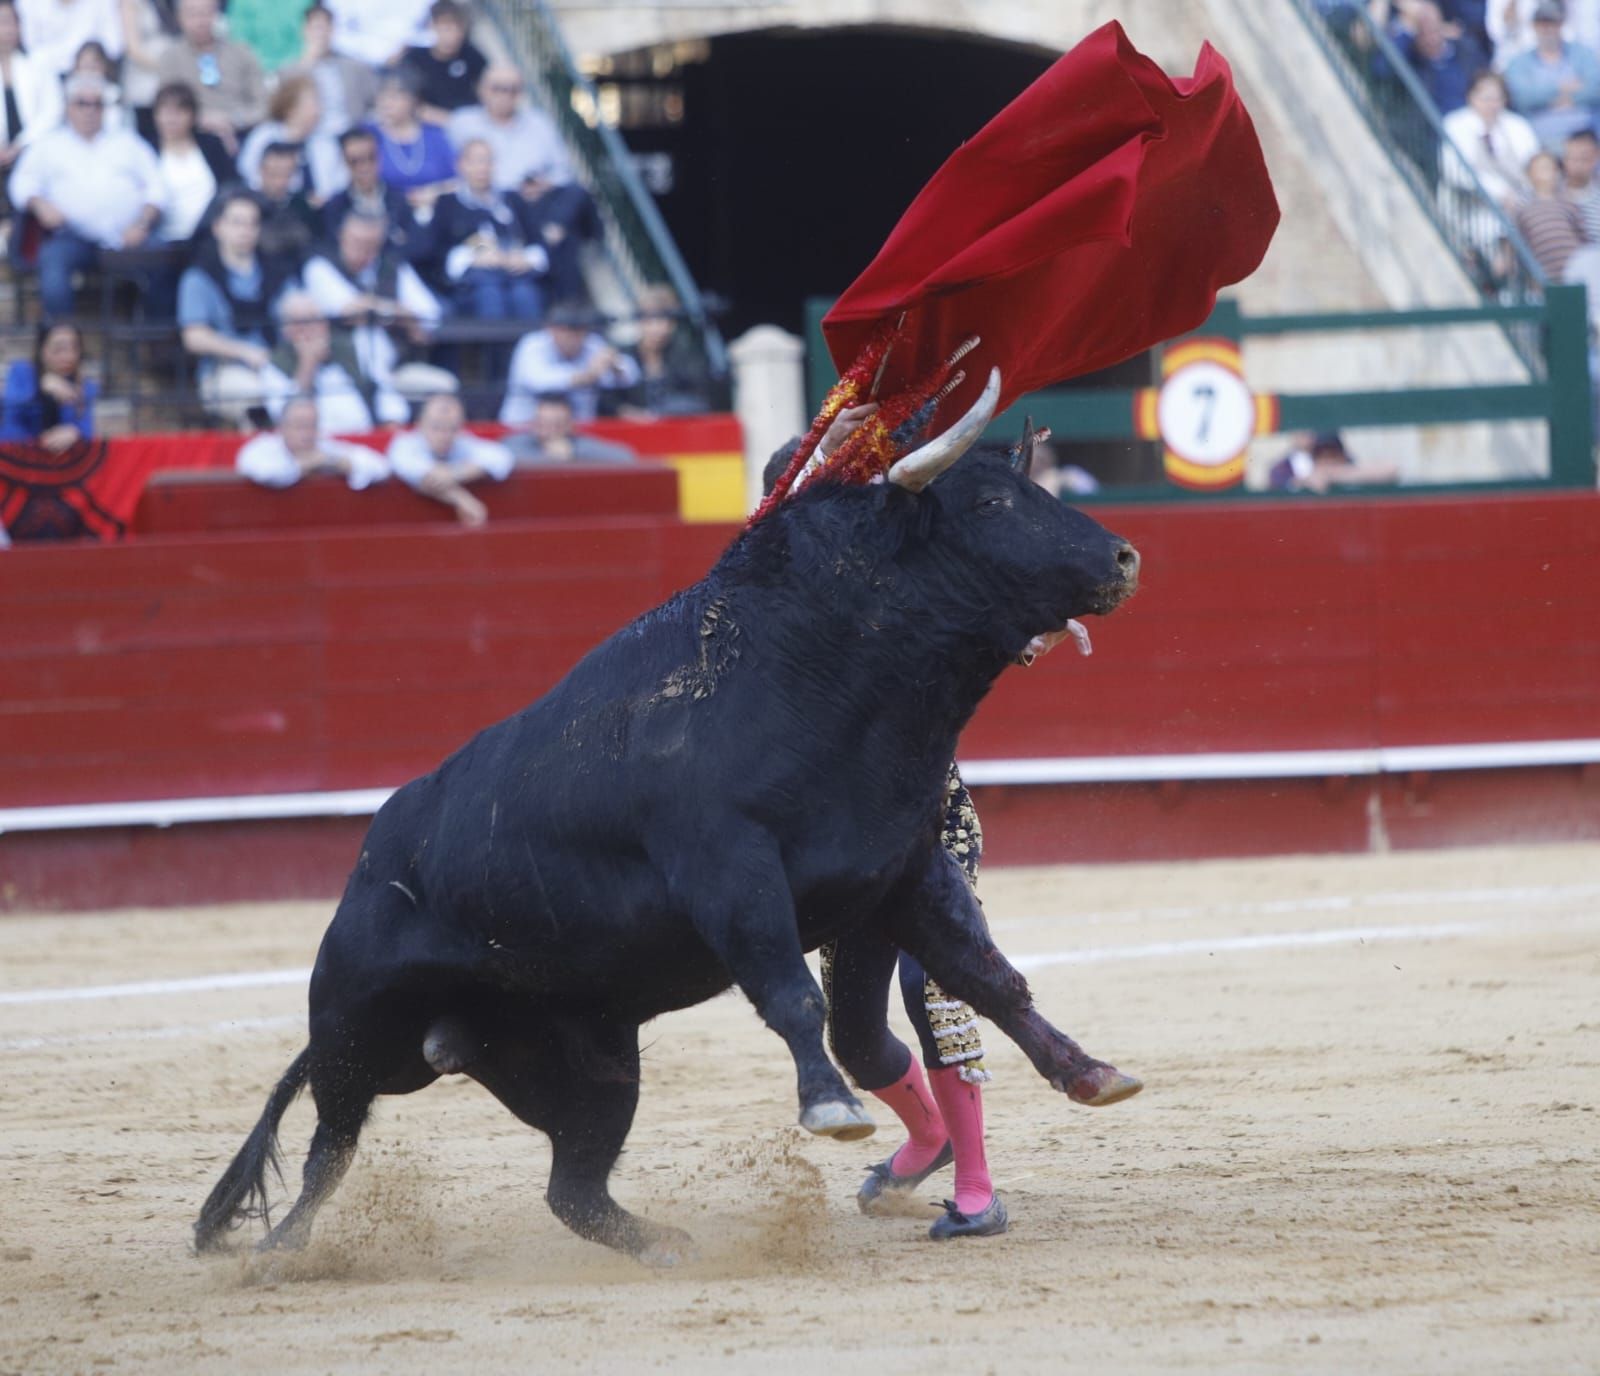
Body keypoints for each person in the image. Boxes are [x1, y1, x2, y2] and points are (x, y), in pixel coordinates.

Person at [10, 70, 166, 319]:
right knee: (52, 261)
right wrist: (40, 205)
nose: (89, 110)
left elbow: (157, 188)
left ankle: (156, 347)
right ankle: (62, 340)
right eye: (82, 103)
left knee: (165, 261)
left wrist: (143, 224)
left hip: (129, 238)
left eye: (97, 104)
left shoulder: (129, 143)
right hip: (73, 237)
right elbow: (21, 182)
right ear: (68, 107)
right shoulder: (48, 145)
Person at [302, 208, 450, 400]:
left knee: (446, 388)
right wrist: (399, 314)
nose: (362, 251)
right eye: (356, 242)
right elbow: (348, 311)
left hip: (396, 368)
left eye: (370, 245)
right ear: (341, 236)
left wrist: (378, 310)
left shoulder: (393, 267)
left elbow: (430, 317)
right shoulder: (319, 265)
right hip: (338, 371)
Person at [177, 189, 292, 421]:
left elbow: (297, 310)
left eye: (252, 224)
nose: (246, 231)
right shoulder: (199, 277)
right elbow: (194, 338)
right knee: (257, 398)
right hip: (224, 370)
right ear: (218, 227)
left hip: (279, 363)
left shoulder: (275, 271)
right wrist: (247, 353)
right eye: (237, 222)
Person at [425, 137, 547, 320]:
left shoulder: (513, 200)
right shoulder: (447, 204)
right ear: (460, 165)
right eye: (475, 161)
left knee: (525, 294)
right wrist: (473, 258)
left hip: (517, 276)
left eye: (487, 161)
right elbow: (438, 253)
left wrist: (525, 258)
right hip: (474, 284)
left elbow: (539, 245)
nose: (482, 168)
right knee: (490, 295)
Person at [262, 288, 409, 433]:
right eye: (301, 323)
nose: (309, 329)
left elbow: (384, 388)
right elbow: (283, 417)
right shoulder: (274, 366)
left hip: (365, 437)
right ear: (286, 331)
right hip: (314, 446)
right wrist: (308, 364)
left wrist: (391, 422)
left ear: (325, 325)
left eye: (315, 321)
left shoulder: (353, 347)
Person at [155, 0, 267, 155]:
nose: (200, 21)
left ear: (217, 14)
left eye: (206, 13)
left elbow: (263, 105)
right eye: (193, 14)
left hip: (242, 134)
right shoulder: (170, 58)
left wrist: (233, 119)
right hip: (192, 137)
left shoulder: (242, 53)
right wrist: (201, 119)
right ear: (180, 17)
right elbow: (165, 108)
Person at [387, 389, 511, 524]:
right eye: (436, 427)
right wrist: (463, 500)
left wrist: (455, 473)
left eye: (452, 428)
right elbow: (422, 475)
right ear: (420, 425)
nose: (444, 436)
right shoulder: (404, 444)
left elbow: (501, 457)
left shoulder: (463, 442)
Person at [500, 304, 639, 424]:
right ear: (551, 329)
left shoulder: (592, 343)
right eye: (567, 330)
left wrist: (614, 366)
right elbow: (539, 381)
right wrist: (589, 375)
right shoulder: (533, 344)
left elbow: (631, 375)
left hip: (581, 431)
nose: (573, 337)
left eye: (578, 331)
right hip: (525, 429)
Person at [447, 63, 571, 195]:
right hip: (484, 202)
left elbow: (563, 171)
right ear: (481, 90)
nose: (504, 95)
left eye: (512, 89)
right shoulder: (462, 123)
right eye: (497, 88)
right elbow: (448, 170)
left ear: (521, 94)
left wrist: (545, 185)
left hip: (535, 201)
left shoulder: (539, 122)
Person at [0, 0, 64, 252]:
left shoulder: (38, 63)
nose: (4, 30)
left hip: (33, 151)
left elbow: (52, 112)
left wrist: (20, 145)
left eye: (8, 22)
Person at [604, 284, 715, 419]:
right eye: (650, 320)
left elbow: (699, 400)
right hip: (629, 432)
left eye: (664, 321)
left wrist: (658, 414)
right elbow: (605, 400)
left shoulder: (687, 357)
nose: (658, 329)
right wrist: (625, 412)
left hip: (675, 430)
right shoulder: (622, 355)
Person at [236, 393, 389, 489]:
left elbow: (380, 467)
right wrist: (306, 465)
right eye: (300, 426)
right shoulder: (262, 447)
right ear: (282, 427)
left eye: (312, 426)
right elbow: (265, 473)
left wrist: (338, 463)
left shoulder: (324, 446)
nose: (307, 434)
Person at [145, 80, 233, 243]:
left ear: (192, 115)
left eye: (179, 111)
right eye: (165, 111)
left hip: (211, 238)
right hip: (164, 240)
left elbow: (229, 184)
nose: (171, 119)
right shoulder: (146, 152)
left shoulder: (211, 145)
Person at [1502, 0, 1600, 147]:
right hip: (1539, 139)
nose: (1547, 29)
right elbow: (1521, 99)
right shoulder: (1519, 62)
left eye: (1552, 23)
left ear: (1561, 24)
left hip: (1585, 135)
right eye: (1542, 23)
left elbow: (1595, 89)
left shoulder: (1582, 54)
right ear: (1534, 26)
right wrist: (1561, 88)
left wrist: (1555, 99)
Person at [320, 125, 423, 262]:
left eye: (371, 158)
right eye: (355, 161)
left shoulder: (399, 201)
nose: (365, 167)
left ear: (379, 157)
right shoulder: (335, 207)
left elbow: (413, 246)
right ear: (344, 162)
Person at [236, 73, 344, 201]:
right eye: (313, 103)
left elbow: (339, 180)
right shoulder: (264, 136)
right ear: (291, 107)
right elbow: (248, 173)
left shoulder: (325, 143)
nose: (318, 110)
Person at [278, 4, 376, 144]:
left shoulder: (353, 66)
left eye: (325, 27)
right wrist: (309, 61)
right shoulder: (290, 70)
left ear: (332, 30)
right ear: (304, 30)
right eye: (316, 28)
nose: (321, 34)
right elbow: (284, 108)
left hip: (350, 135)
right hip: (311, 136)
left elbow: (374, 100)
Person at [365, 67, 455, 209]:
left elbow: (458, 180)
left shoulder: (434, 136)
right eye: (383, 96)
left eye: (395, 97)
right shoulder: (368, 135)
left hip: (435, 210)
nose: (387, 103)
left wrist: (435, 192)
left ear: (414, 100)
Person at [0, 320, 95, 446]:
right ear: (42, 350)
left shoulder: (86, 386)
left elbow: (89, 430)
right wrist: (40, 387)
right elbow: (11, 415)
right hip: (20, 455)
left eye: (74, 348)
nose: (69, 356)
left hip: (62, 459)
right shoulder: (21, 372)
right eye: (59, 349)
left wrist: (76, 432)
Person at [1388, 1, 1487, 112]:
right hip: (1434, 124)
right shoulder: (1413, 59)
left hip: (1472, 117)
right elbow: (1383, 70)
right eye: (1424, 31)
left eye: (1433, 28)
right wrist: (1406, 31)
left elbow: (1485, 79)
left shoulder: (1465, 50)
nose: (1431, 38)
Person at [402, 0, 484, 124]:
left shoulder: (472, 55)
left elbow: (486, 90)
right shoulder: (415, 58)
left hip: (468, 122)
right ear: (432, 27)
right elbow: (409, 100)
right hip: (427, 124)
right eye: (446, 28)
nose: (452, 34)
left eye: (457, 28)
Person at [506, 392, 638, 465]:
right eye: (543, 424)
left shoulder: (580, 444)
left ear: (571, 426)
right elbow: (498, 460)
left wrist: (573, 454)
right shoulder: (515, 444)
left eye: (556, 425)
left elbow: (626, 457)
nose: (548, 432)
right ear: (533, 423)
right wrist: (552, 460)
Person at [247, 141, 322, 270]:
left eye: (287, 174)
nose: (280, 182)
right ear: (261, 170)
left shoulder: (303, 205)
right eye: (274, 174)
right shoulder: (247, 204)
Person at [1516, 147, 1588, 274]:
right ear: (1529, 174)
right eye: (1540, 167)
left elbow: (1583, 235)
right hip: (1545, 271)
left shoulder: (1569, 203)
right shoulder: (1523, 209)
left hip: (1575, 268)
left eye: (1551, 167)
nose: (1547, 172)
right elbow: (1520, 240)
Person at [14, 0, 121, 78]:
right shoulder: (28, 3)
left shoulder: (104, 3)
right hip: (42, 75)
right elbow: (29, 45)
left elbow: (113, 46)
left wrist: (87, 60)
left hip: (90, 78)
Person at [1267, 430, 1399, 490]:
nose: (1329, 462)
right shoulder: (1286, 469)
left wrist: (1337, 475)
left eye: (1333, 456)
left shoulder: (1348, 470)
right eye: (1323, 457)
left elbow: (1391, 470)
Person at [324, 0, 433, 68]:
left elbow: (434, 30)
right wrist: (380, 55)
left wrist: (406, 45)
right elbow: (336, 34)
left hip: (413, 58)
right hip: (357, 61)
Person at [1562, 125, 1600, 236]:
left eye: (1584, 158)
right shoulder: (1550, 191)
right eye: (1573, 158)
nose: (1578, 164)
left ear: (1596, 156)